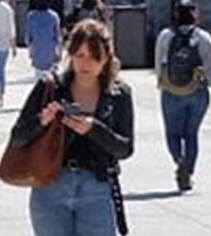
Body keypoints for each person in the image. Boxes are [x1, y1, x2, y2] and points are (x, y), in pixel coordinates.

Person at [9, 20, 133, 236]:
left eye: (94, 57)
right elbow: (18, 137)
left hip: (97, 186)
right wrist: (42, 121)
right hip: (51, 185)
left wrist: (94, 129)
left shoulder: (119, 94)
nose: (86, 64)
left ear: (106, 58)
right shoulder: (51, 87)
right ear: (70, 55)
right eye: (80, 55)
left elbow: (125, 148)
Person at [154, 0, 211, 193]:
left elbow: (158, 63)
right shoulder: (204, 38)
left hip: (171, 91)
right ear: (195, 15)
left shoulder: (165, 36)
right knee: (191, 134)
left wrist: (161, 82)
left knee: (173, 134)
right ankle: (188, 171)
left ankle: (179, 162)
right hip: (197, 91)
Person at [25, 0, 62, 73]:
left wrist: (30, 50)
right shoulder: (53, 16)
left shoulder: (32, 16)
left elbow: (28, 36)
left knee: (38, 73)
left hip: (37, 49)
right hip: (50, 50)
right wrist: (59, 50)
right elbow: (57, 36)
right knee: (50, 73)